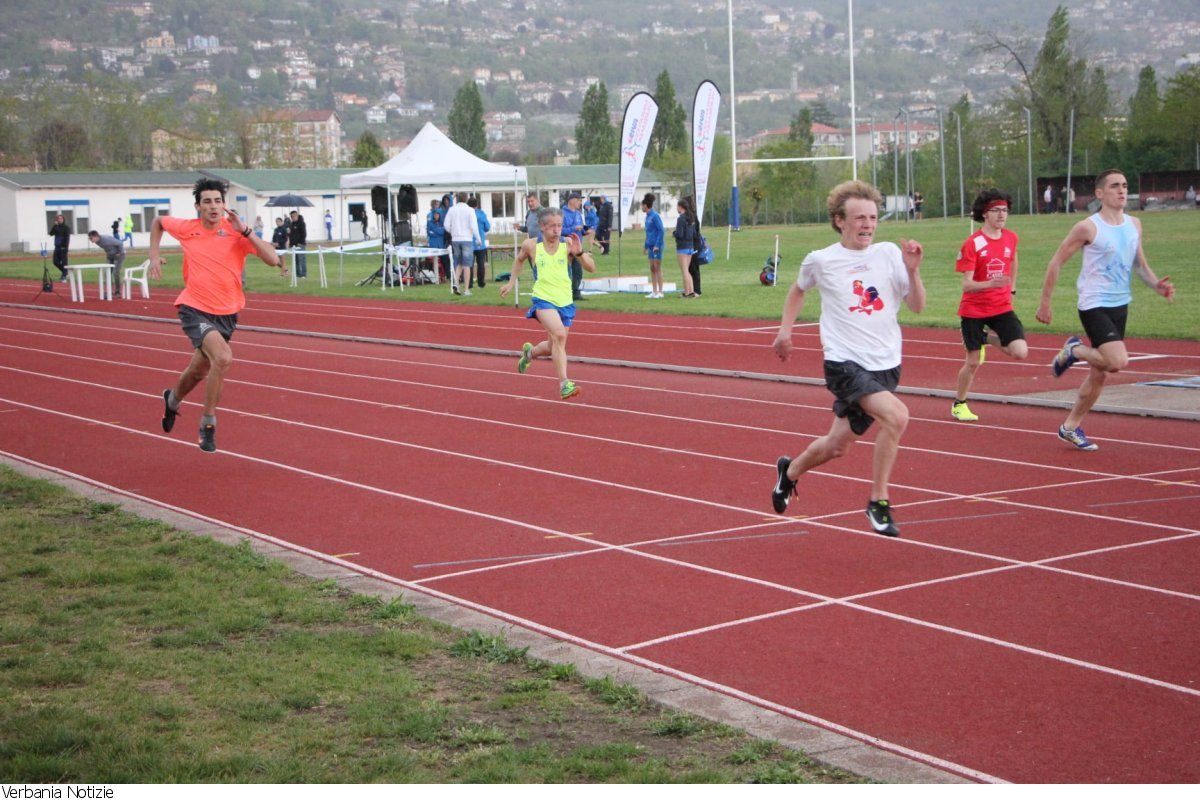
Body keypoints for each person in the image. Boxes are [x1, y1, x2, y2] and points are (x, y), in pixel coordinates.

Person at [770, 180, 926, 537]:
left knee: (837, 445)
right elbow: (797, 290)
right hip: (843, 364)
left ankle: (789, 471)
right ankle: (878, 502)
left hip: (886, 365)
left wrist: (913, 271)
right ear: (839, 221)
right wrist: (785, 331)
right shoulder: (822, 260)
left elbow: (917, 306)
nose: (867, 225)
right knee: (897, 416)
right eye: (859, 218)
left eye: (872, 217)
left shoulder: (889, 254)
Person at [1036, 168, 1176, 451]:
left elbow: (1139, 265)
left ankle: (1070, 427)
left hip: (1120, 304)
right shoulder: (1088, 227)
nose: (1122, 190)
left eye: (1124, 185)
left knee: (1099, 374)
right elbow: (1056, 262)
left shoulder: (1134, 224)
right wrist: (1045, 302)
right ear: (1100, 193)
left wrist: (1157, 286)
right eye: (1115, 186)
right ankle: (1074, 350)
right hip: (1094, 303)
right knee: (1116, 362)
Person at [149, 177, 287, 453]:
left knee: (198, 371)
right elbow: (158, 222)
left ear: (224, 205)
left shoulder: (236, 233)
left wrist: (245, 230)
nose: (213, 206)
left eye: (217, 201)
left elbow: (273, 259)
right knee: (223, 358)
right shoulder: (188, 228)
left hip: (227, 312)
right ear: (198, 207)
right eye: (207, 202)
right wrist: (154, 255)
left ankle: (172, 400)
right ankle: (208, 424)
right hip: (194, 307)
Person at [499, 207, 596, 401]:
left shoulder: (568, 243)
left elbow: (591, 268)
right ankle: (564, 384)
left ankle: (529, 353)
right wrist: (511, 282)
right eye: (552, 226)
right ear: (542, 226)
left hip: (565, 302)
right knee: (559, 335)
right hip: (543, 300)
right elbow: (519, 261)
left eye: (559, 225)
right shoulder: (531, 245)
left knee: (554, 346)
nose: (557, 230)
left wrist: (579, 253)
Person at [950, 189, 1029, 422]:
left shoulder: (1011, 237)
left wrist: (1011, 287)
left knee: (1020, 352)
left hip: (1001, 306)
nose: (1001, 214)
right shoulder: (972, 244)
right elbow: (966, 285)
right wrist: (990, 283)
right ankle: (959, 404)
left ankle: (986, 338)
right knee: (973, 362)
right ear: (985, 214)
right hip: (974, 309)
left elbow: (1013, 259)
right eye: (996, 210)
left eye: (1005, 210)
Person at [443, 191, 480, 296]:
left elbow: (446, 225)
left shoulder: (452, 209)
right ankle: (466, 289)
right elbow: (474, 226)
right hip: (467, 239)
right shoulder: (470, 210)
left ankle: (456, 283)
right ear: (466, 199)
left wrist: (452, 231)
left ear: (457, 199)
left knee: (459, 263)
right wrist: (478, 239)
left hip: (455, 239)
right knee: (467, 265)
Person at [561, 191, 586, 300]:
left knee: (578, 270)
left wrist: (585, 231)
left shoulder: (578, 214)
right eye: (578, 200)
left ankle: (575, 292)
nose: (580, 203)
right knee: (566, 270)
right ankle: (565, 292)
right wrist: (573, 229)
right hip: (566, 246)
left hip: (577, 246)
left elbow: (581, 228)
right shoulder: (562, 214)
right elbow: (560, 230)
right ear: (571, 201)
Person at [673, 196, 699, 297]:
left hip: (682, 247)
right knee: (687, 271)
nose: (677, 208)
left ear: (681, 207)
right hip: (690, 246)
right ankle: (691, 291)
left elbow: (680, 234)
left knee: (684, 271)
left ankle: (687, 292)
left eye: (677, 206)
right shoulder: (691, 218)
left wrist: (674, 233)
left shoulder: (681, 219)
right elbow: (694, 234)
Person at [87, 229, 126, 295]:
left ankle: (118, 291)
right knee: (107, 273)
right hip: (110, 256)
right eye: (89, 239)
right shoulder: (97, 242)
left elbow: (120, 243)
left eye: (91, 238)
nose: (90, 240)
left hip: (118, 255)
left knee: (116, 273)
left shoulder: (106, 239)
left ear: (96, 236)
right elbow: (108, 248)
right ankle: (110, 290)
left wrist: (119, 252)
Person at [642, 193, 664, 299]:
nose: (641, 207)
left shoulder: (655, 216)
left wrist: (657, 245)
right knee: (652, 268)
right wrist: (645, 246)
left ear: (646, 205)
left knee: (657, 267)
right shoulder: (647, 217)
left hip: (656, 246)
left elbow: (661, 230)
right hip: (650, 246)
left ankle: (660, 291)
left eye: (642, 205)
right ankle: (654, 291)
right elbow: (648, 233)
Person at [469, 195, 491, 289]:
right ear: (477, 205)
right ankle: (481, 283)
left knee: (469, 264)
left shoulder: (466, 214)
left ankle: (469, 283)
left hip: (469, 242)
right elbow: (487, 227)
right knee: (481, 264)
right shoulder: (482, 214)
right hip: (480, 243)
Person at [49, 213, 71, 281]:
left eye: (61, 218)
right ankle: (66, 272)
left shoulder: (66, 228)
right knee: (55, 262)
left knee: (64, 263)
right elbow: (51, 234)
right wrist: (54, 225)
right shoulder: (56, 227)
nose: (59, 220)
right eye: (58, 218)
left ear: (63, 219)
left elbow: (67, 238)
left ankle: (64, 276)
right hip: (57, 247)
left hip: (63, 247)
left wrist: (66, 248)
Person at [288, 211, 307, 278]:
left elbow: (304, 234)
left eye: (294, 216)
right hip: (293, 245)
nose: (293, 217)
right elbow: (290, 235)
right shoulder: (291, 224)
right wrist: (290, 244)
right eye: (292, 216)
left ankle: (303, 274)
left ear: (297, 216)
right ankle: (297, 274)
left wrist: (301, 242)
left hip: (300, 244)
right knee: (295, 260)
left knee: (301, 259)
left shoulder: (302, 223)